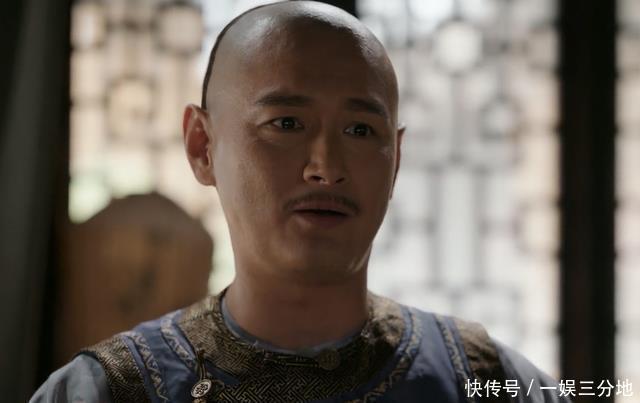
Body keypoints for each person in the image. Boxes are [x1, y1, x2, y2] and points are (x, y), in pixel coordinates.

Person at [32, 1, 570, 402]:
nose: (326, 168)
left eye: (360, 130)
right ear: (202, 146)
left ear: (396, 159)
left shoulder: (486, 380)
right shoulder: (111, 390)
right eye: (286, 123)